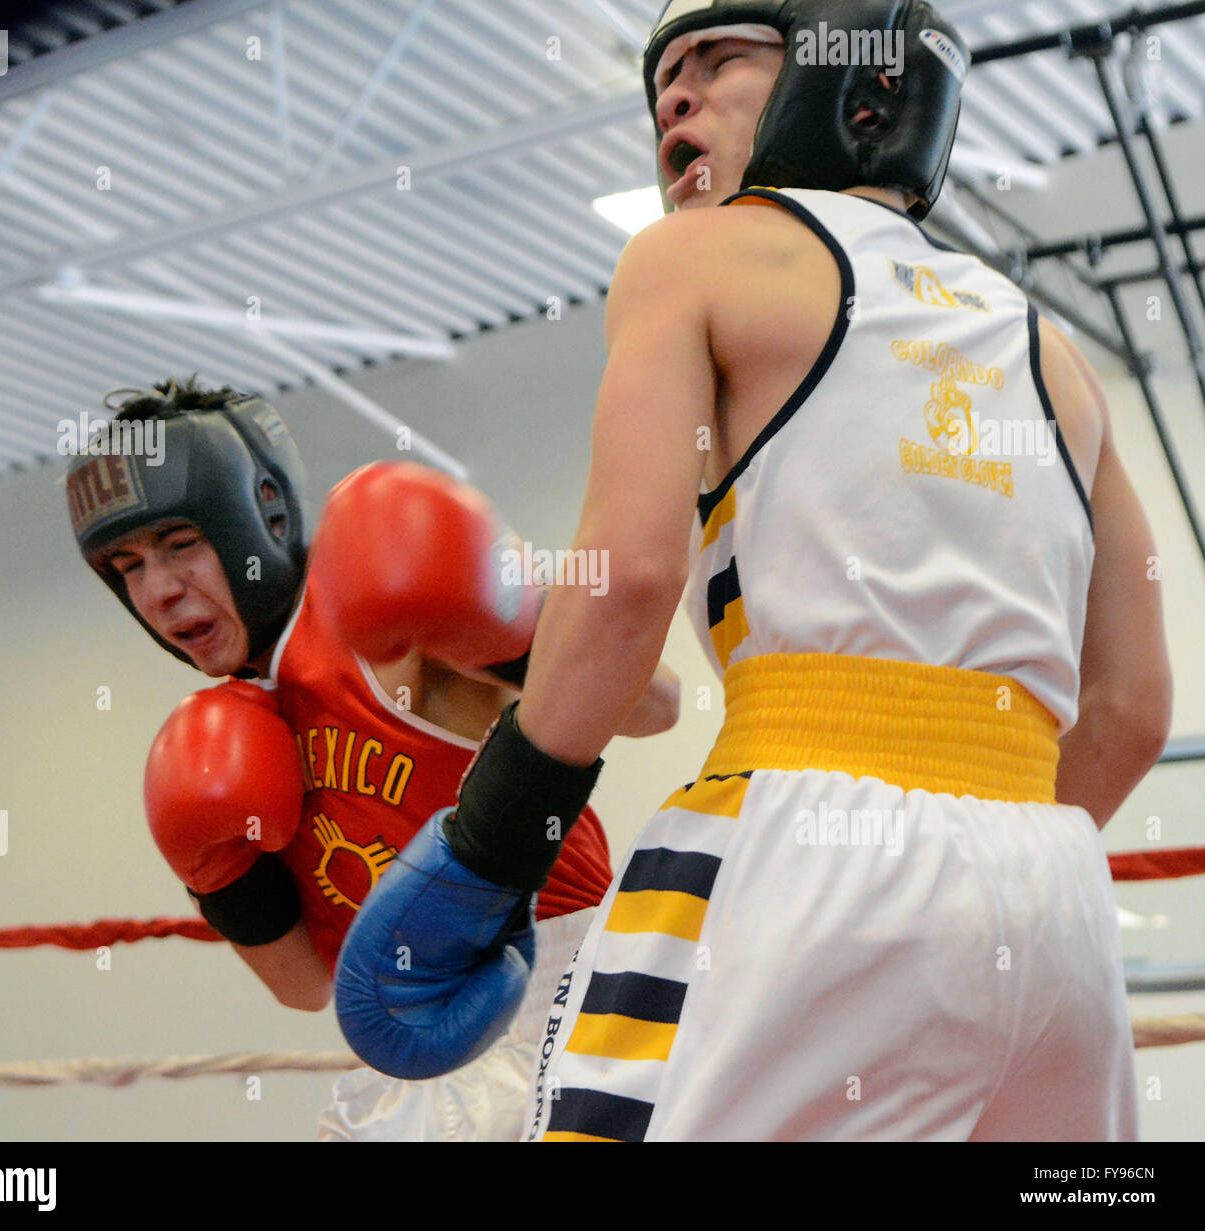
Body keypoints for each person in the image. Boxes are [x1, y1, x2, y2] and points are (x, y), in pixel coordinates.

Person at [334, 0, 1173, 1142]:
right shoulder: (1054, 352)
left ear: (855, 90)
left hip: (808, 850)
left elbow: (626, 579)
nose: (672, 98)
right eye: (661, 80)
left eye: (718, 61)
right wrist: (968, 867)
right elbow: (1130, 708)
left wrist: (489, 848)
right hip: (1054, 898)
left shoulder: (693, 259)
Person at [64, 378, 680, 1140]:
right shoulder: (225, 735)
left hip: (568, 1004)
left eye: (180, 545)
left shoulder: (378, 618)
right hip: (407, 1050)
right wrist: (214, 873)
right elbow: (305, 984)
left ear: (260, 512)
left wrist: (508, 619)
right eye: (127, 566)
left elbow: (658, 703)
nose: (157, 591)